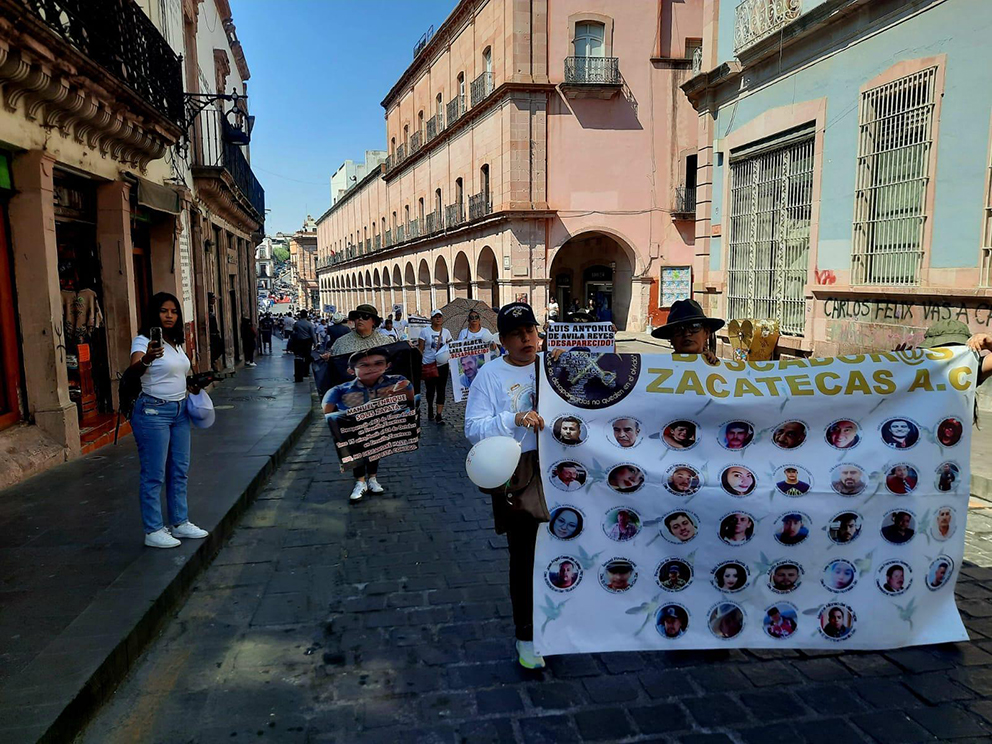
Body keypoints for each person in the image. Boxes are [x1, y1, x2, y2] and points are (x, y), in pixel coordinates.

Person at [464, 302, 547, 669]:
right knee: (525, 556)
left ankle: (559, 627)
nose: (525, 338)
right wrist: (513, 418)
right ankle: (526, 634)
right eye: (516, 334)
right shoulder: (489, 375)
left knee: (563, 550)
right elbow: (473, 428)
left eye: (529, 330)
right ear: (502, 340)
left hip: (562, 471)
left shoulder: (553, 367)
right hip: (519, 473)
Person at [128, 293, 208, 548]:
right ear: (155, 313)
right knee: (154, 473)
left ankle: (180, 522)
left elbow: (177, 375)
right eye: (164, 311)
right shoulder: (143, 341)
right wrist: (148, 358)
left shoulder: (176, 343)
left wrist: (193, 385)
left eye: (173, 311)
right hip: (153, 412)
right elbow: (134, 370)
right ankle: (153, 530)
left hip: (180, 411)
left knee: (179, 470)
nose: (169, 316)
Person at [650, 298, 723, 363]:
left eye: (694, 327)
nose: (686, 333)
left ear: (706, 333)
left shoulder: (717, 369)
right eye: (678, 329)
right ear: (671, 338)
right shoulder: (661, 368)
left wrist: (711, 366)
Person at [419, 309, 454, 425]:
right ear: (431, 319)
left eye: (440, 316)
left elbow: (451, 346)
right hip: (428, 363)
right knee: (430, 389)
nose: (438, 318)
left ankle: (439, 414)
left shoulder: (446, 332)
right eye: (435, 317)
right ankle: (430, 406)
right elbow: (421, 349)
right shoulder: (425, 332)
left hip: (442, 365)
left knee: (441, 389)